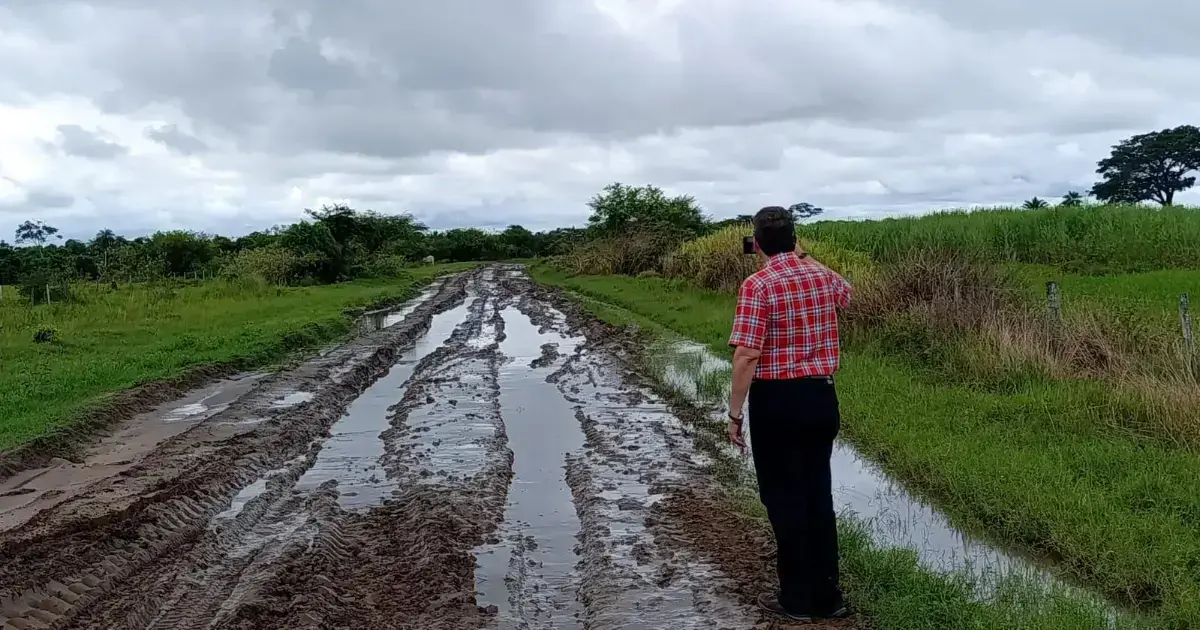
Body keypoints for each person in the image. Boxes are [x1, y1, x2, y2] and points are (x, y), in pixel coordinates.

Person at [726, 206, 852, 622]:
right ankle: (828, 596)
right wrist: (804, 256)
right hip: (820, 398)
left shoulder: (757, 284)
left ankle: (796, 599)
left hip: (777, 402)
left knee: (784, 498)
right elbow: (846, 295)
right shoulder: (822, 276)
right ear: (795, 239)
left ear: (757, 242)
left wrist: (734, 413)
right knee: (818, 495)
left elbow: (747, 354)